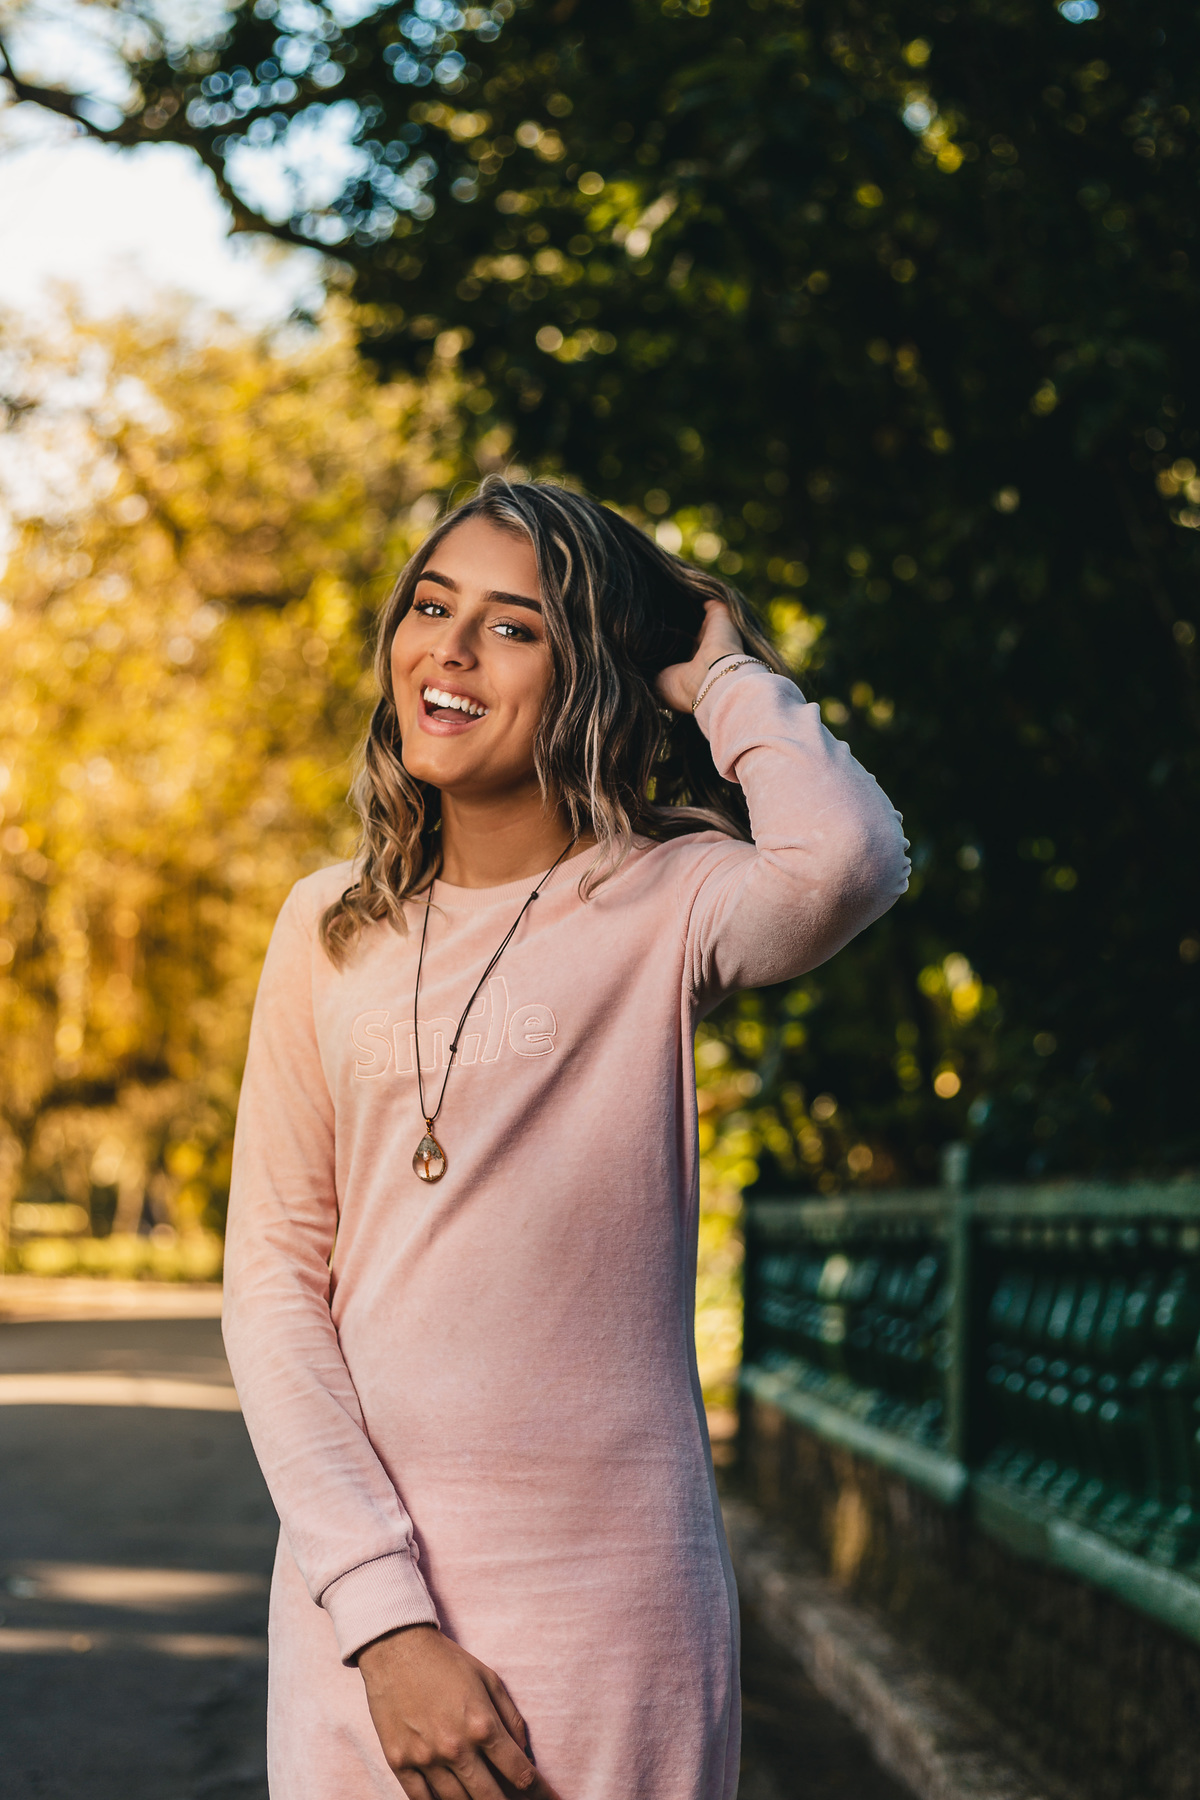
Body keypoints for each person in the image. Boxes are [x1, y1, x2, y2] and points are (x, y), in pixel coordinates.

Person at [224, 477, 909, 1800]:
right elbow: (272, 1283)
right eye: (431, 607)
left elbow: (847, 863)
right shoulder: (328, 927)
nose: (450, 650)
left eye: (514, 626)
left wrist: (720, 672)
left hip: (616, 1608)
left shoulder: (666, 897)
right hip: (360, 1615)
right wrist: (383, 1619)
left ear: (593, 671)